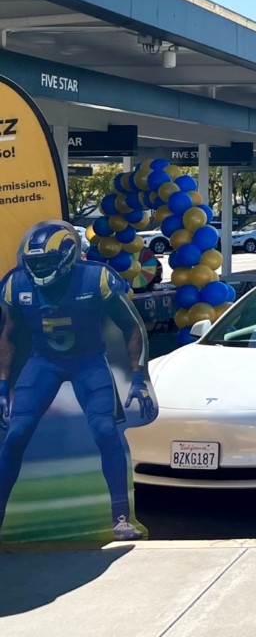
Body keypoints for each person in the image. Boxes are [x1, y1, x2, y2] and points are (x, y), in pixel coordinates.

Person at [0, 220, 157, 541]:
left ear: (68, 256)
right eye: (35, 263)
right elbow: (9, 335)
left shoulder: (95, 279)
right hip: (44, 362)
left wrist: (139, 375)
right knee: (16, 435)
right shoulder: (17, 285)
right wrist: (3, 383)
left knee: (104, 429)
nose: (40, 269)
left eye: (46, 261)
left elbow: (131, 326)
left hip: (88, 361)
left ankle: (120, 516)